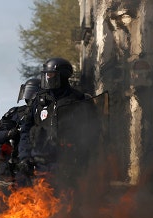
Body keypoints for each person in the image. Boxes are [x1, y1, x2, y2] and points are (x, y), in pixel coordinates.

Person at [18, 58, 99, 190]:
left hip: (70, 163)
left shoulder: (80, 100)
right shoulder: (37, 101)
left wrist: (86, 160)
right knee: (42, 203)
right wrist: (24, 157)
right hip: (41, 162)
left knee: (68, 203)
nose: (47, 78)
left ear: (62, 76)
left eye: (51, 74)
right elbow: (26, 131)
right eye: (46, 74)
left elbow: (92, 132)